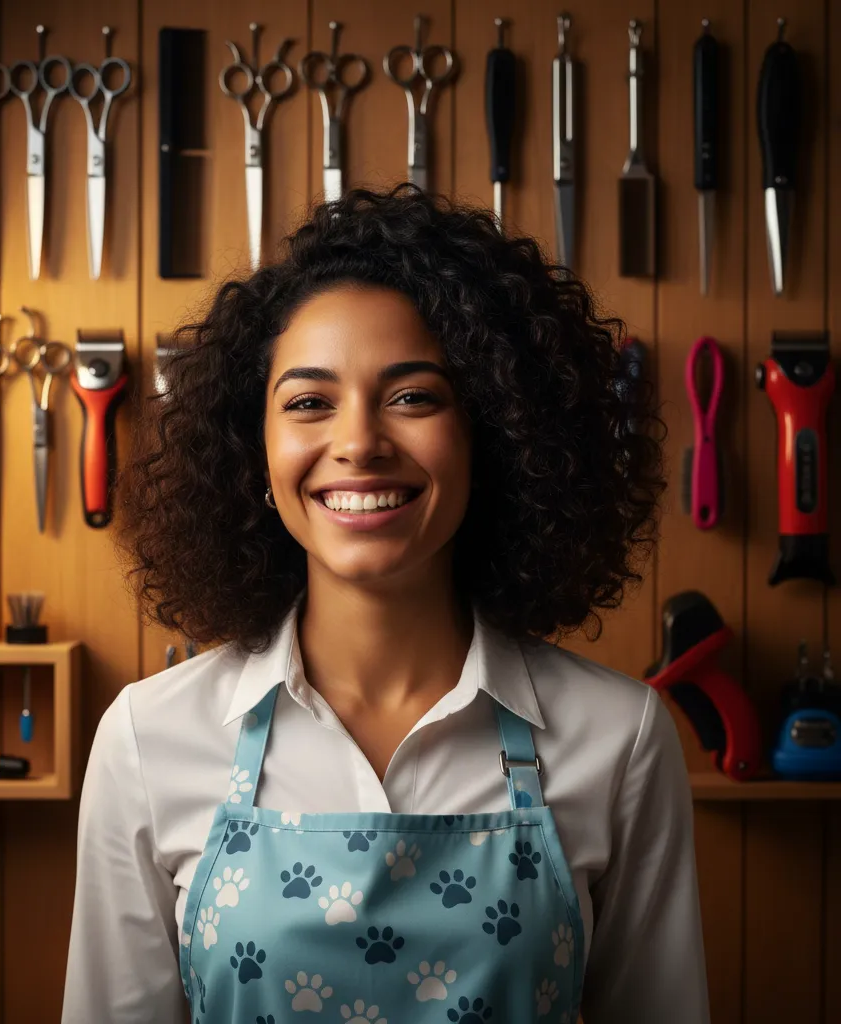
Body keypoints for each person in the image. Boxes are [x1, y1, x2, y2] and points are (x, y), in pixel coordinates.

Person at [61, 185, 710, 1024]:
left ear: (496, 438)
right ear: (253, 451)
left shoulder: (619, 740)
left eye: (413, 397)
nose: (359, 442)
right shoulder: (148, 743)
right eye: (307, 403)